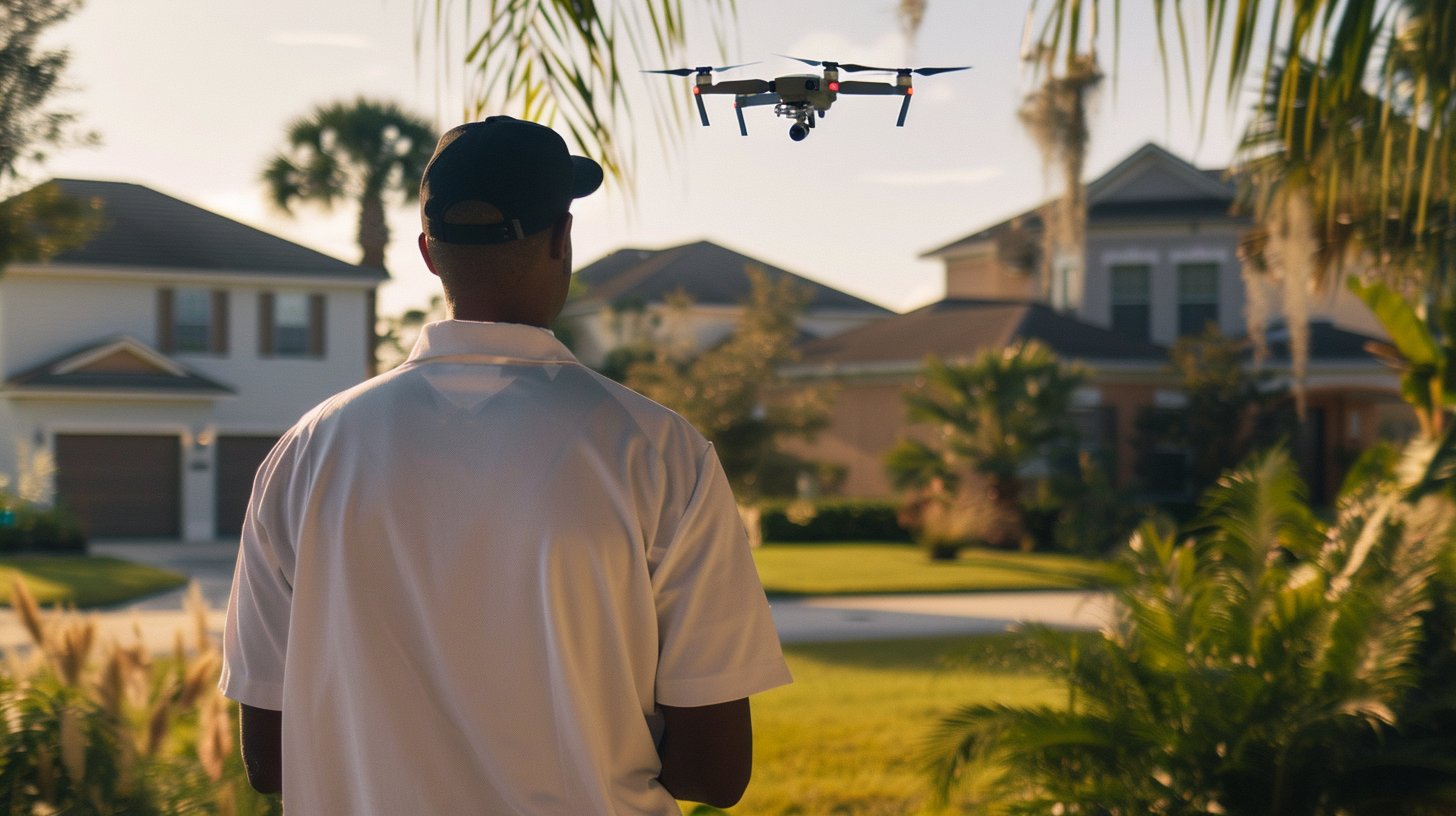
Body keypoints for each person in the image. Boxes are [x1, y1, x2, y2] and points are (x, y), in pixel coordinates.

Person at [220, 116, 792, 815]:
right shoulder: (661, 453)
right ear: (562, 237)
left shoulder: (304, 455)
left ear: (428, 253)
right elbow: (715, 771)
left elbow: (269, 758)